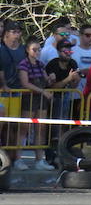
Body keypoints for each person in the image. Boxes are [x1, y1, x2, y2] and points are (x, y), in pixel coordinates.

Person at [16, 39, 55, 170]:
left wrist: (50, 78)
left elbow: (46, 80)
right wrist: (43, 91)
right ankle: (18, 159)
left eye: (39, 49)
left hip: (41, 99)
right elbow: (25, 83)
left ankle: (39, 160)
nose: (37, 52)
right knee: (24, 129)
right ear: (27, 50)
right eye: (34, 49)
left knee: (41, 129)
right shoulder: (23, 64)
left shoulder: (40, 64)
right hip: (29, 98)